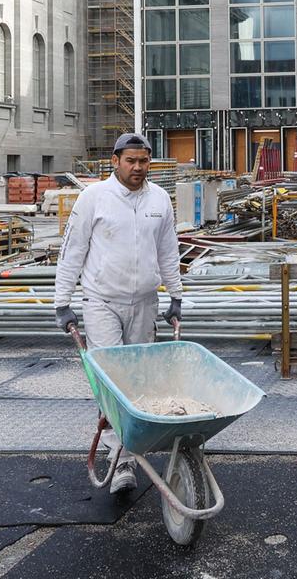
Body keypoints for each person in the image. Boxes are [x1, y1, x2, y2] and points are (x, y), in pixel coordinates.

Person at [53, 131, 184, 492]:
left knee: (139, 378)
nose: (138, 167)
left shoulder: (159, 199)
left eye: (144, 161)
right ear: (115, 161)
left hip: (144, 302)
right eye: (131, 161)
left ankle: (129, 448)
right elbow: (72, 252)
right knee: (113, 380)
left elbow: (168, 253)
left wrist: (176, 295)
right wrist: (62, 303)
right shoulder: (94, 198)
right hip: (102, 302)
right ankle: (123, 461)